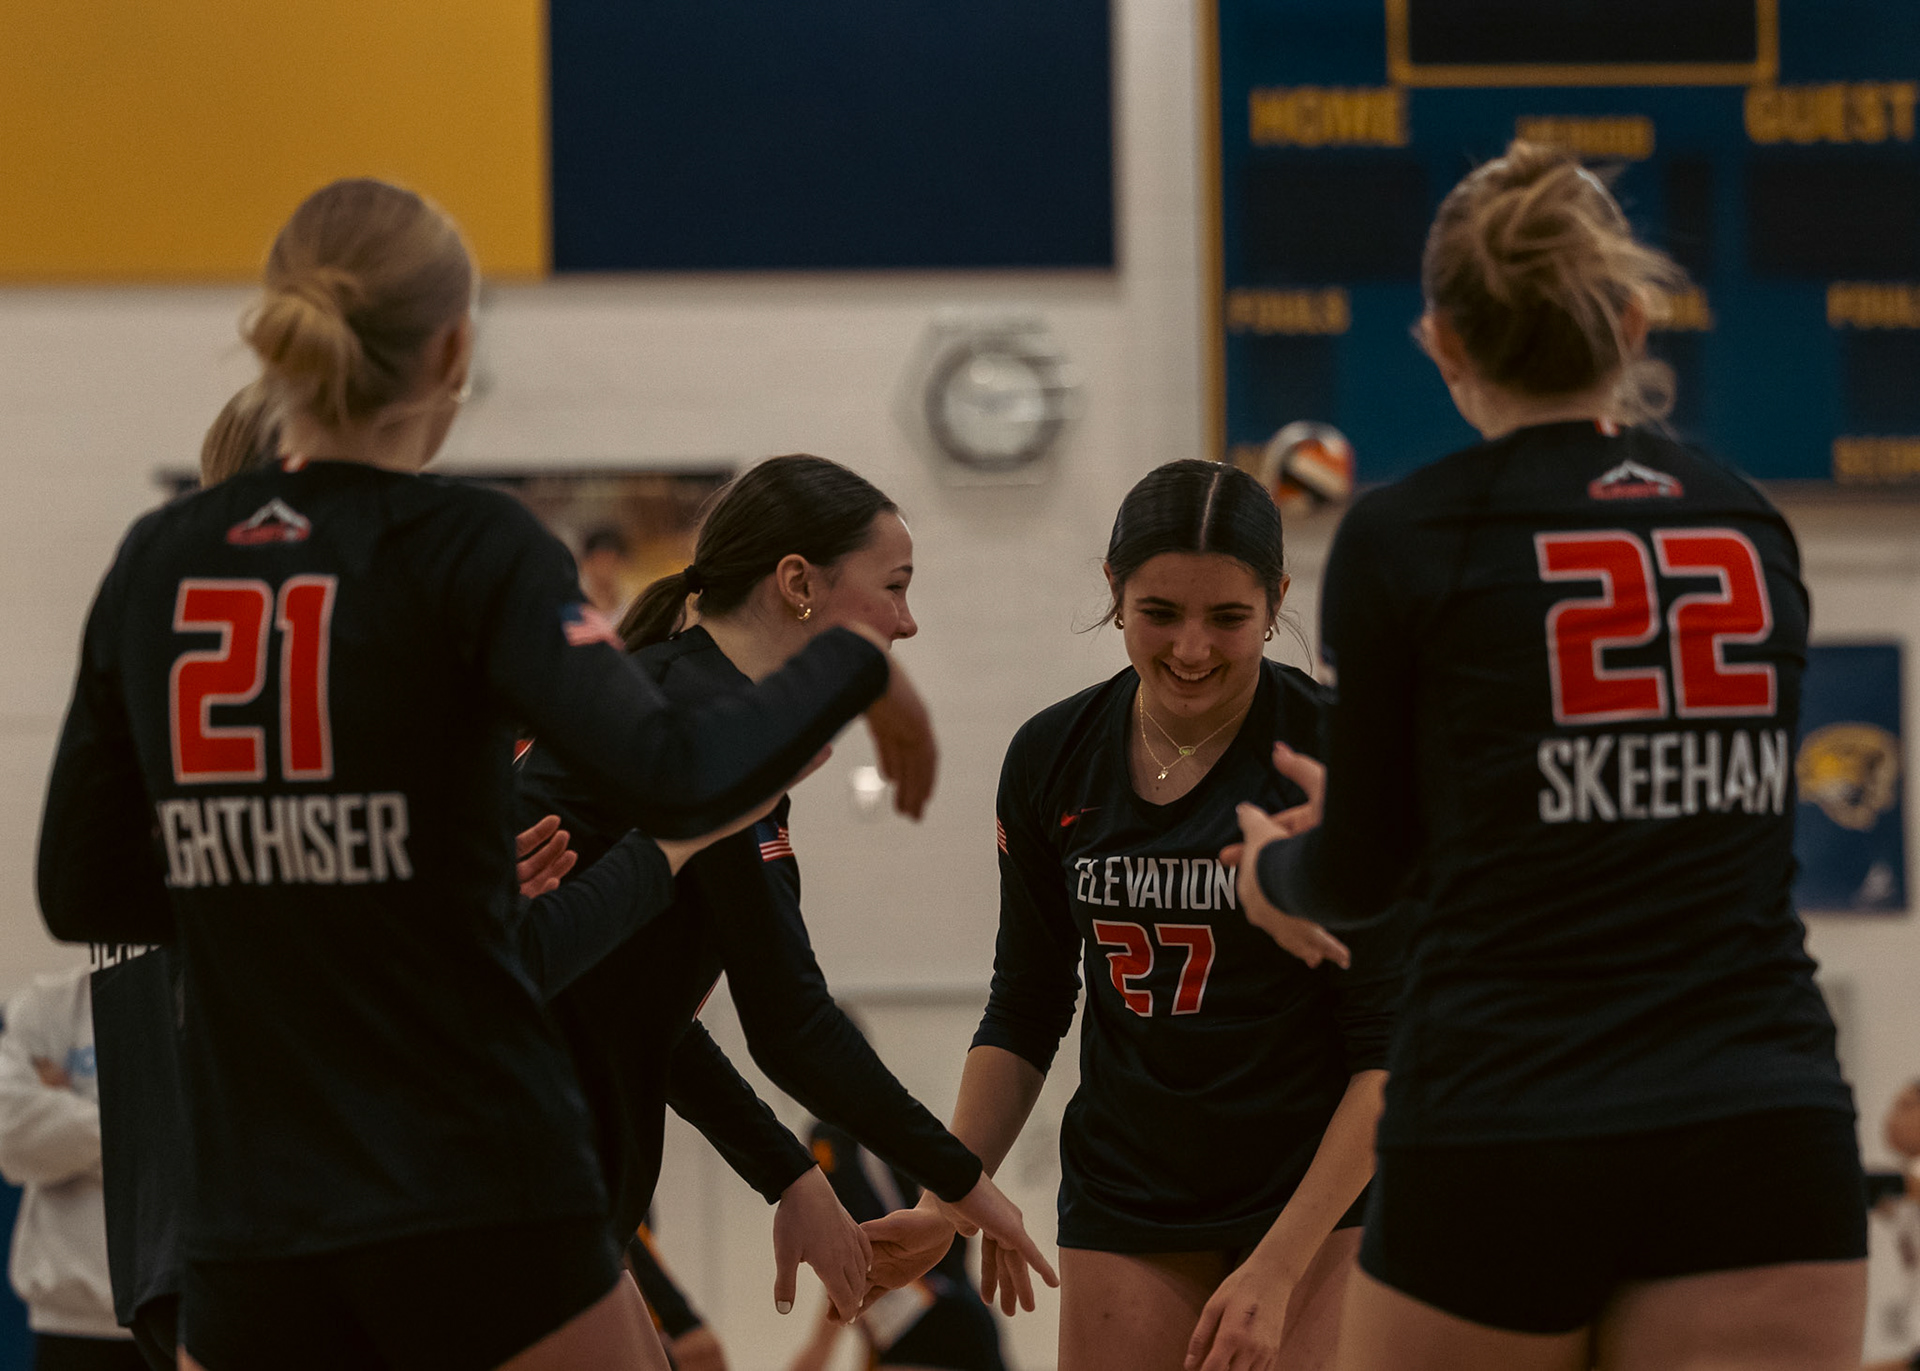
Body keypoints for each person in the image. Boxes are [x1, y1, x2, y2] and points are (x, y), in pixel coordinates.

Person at [37, 177, 939, 1371]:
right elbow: (675, 773)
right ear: (454, 352)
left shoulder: (158, 557)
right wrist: (852, 669)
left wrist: (317, 888)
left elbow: (82, 888)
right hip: (461, 1171)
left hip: (249, 1204)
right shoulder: (467, 544)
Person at [1237, 141, 1866, 1371]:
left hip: (1506, 1114)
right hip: (1757, 1115)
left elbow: (1362, 875)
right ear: (1631, 321)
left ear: (1443, 343)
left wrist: (1273, 875)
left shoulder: (1407, 535)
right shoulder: (1748, 521)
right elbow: (1667, 813)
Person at [863, 459, 1400, 1371]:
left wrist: (1277, 1267)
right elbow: (1026, 1004)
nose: (1191, 648)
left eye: (1227, 617)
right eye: (1160, 612)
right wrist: (943, 1196)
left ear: (1276, 601)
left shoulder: (1337, 750)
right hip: (1130, 1189)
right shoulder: (1053, 754)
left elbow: (1389, 1045)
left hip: (1321, 1195)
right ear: (1114, 590)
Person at [514, 454, 1057, 1327]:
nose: (907, 621)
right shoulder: (703, 725)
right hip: (514, 1167)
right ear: (798, 583)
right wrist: (965, 1184)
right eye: (894, 586)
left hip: (529, 1163)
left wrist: (790, 1173)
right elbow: (792, 1025)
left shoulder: (669, 691)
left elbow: (636, 1008)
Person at [0, 968, 146, 1371]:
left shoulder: (207, 998)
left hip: (185, 1315)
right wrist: (143, 1134)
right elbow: (11, 1134)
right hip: (68, 1322)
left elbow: (204, 1139)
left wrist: (70, 1118)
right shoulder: (47, 1004)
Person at [787, 1117, 1007, 1371]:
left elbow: (859, 1262)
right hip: (952, 1315)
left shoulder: (835, 1140)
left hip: (930, 1319)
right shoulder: (879, 1138)